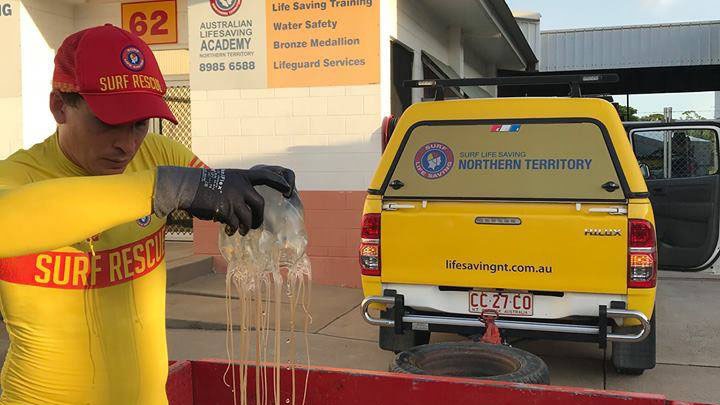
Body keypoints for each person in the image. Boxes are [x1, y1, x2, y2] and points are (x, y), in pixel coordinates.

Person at [0, 24, 295, 405]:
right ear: (59, 106)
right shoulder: (19, 178)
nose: (127, 144)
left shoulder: (157, 155)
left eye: (139, 123)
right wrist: (166, 189)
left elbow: (222, 193)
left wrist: (265, 200)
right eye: (107, 123)